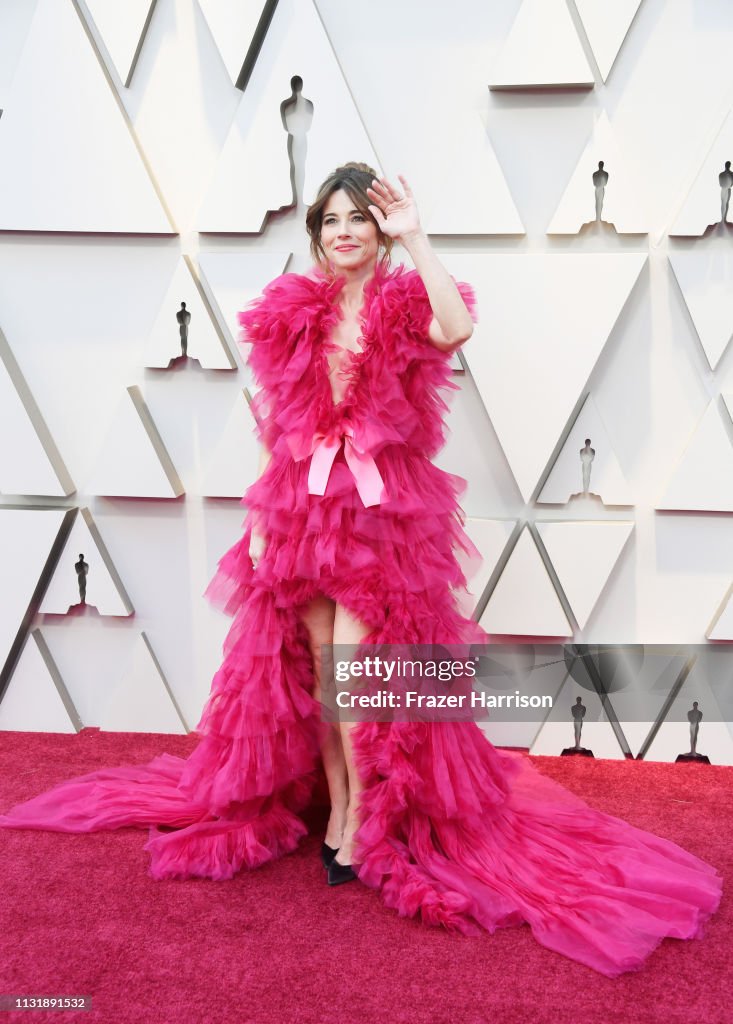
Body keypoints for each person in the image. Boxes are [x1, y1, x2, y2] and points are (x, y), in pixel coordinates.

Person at [0, 163, 722, 979]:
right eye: (332, 220)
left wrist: (416, 233)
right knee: (315, 674)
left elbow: (457, 328)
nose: (345, 231)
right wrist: (265, 526)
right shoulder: (290, 314)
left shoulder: (404, 302)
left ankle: (366, 821)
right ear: (317, 234)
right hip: (302, 511)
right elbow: (280, 430)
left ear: (377, 235)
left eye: (360, 220)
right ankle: (340, 809)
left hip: (382, 520)